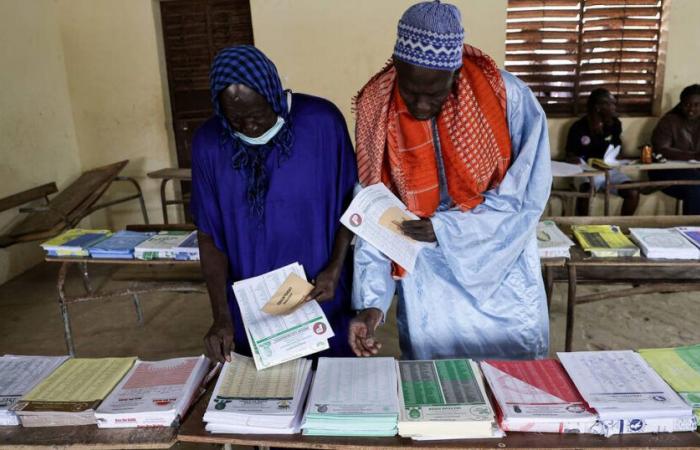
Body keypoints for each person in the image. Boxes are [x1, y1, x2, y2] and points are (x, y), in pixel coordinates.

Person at [348, 1, 551, 361]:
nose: (421, 106)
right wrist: (372, 303)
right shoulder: (377, 107)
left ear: (455, 75)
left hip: (499, 266)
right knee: (441, 386)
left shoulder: (508, 98)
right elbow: (375, 208)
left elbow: (525, 197)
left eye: (434, 94)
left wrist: (446, 228)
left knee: (513, 382)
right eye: (411, 92)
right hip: (427, 277)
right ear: (396, 69)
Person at [191, 45, 357, 363]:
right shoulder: (209, 144)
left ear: (274, 94)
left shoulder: (321, 123)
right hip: (252, 312)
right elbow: (209, 235)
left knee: (331, 392)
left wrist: (335, 269)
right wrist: (221, 317)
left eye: (258, 115)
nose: (250, 127)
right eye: (237, 120)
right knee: (264, 400)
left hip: (321, 295)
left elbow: (352, 204)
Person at [565, 88, 639, 216]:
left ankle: (622, 228)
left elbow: (616, 149)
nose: (614, 107)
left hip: (610, 171)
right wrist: (578, 161)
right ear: (598, 107)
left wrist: (622, 159)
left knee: (632, 192)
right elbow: (570, 155)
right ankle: (581, 228)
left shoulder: (615, 124)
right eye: (610, 104)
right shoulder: (579, 127)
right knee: (586, 191)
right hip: (586, 172)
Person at [649, 84, 700, 214]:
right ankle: (691, 231)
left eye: (696, 105)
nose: (691, 109)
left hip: (694, 172)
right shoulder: (669, 121)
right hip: (665, 173)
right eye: (687, 104)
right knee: (695, 187)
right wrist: (694, 155)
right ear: (681, 104)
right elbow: (661, 149)